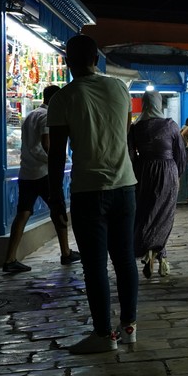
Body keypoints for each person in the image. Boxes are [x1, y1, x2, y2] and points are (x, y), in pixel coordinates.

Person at [47, 35, 139, 353]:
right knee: (125, 259)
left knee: (95, 265)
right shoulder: (119, 89)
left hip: (89, 190)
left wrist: (55, 197)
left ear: (67, 61)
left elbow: (57, 154)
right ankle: (129, 327)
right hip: (125, 184)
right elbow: (124, 137)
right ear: (96, 60)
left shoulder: (64, 98)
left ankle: (103, 335)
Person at [1, 85, 81, 273]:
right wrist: (57, 162)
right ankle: (65, 252)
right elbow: (47, 144)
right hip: (44, 173)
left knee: (23, 213)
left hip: (26, 172)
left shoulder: (31, 115)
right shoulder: (47, 116)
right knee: (58, 209)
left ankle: (10, 258)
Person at [128, 90, 186, 278]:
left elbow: (130, 155)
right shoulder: (170, 125)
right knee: (164, 213)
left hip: (143, 173)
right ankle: (158, 252)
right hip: (167, 172)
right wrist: (177, 174)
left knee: (146, 212)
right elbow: (180, 154)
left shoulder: (136, 128)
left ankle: (151, 252)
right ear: (159, 103)